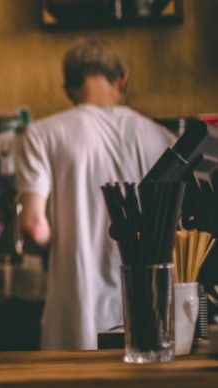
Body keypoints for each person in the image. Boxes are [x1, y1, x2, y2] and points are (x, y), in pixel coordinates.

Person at [16, 38, 176, 350]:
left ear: (68, 88)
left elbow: (34, 228)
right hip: (147, 316)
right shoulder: (163, 139)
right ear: (123, 80)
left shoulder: (41, 134)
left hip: (75, 316)